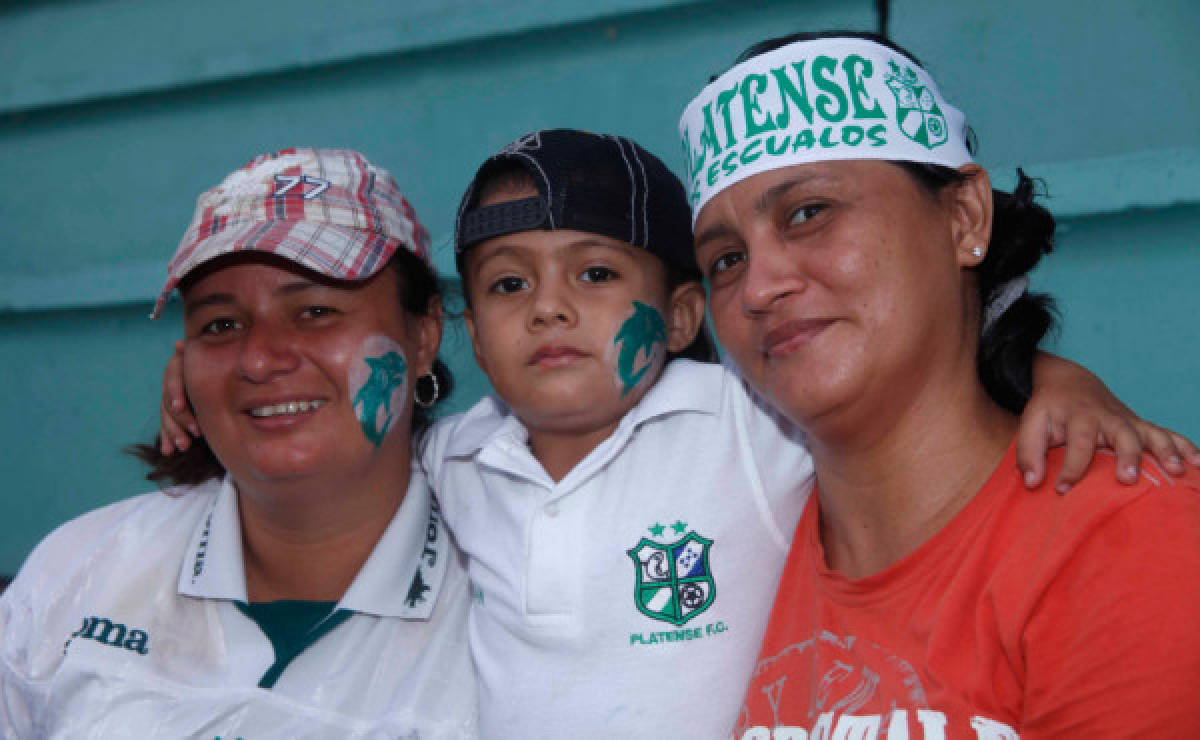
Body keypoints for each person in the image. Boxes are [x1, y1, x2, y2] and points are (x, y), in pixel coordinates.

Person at [159, 131, 1192, 739]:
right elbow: (332, 422)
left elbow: (908, 388)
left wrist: (1056, 375)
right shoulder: (453, 457)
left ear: (691, 317)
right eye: (510, 285)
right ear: (469, 332)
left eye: (598, 275)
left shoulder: (746, 419)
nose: (551, 310)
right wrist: (213, 376)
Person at [678, 32, 1200, 737]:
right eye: (726, 259)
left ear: (963, 219)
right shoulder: (734, 539)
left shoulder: (1126, 539)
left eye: (809, 212)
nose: (760, 288)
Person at [0, 148, 477, 738]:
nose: (257, 358)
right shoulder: (78, 573)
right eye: (220, 326)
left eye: (316, 310)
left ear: (424, 334)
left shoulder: (513, 586)